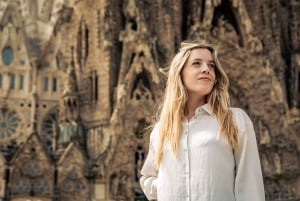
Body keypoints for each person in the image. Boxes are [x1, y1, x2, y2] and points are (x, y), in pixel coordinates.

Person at [139, 40, 265, 201]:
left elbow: (250, 186)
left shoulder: (235, 120)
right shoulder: (161, 130)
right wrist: (167, 186)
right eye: (197, 63)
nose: (206, 69)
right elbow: (147, 178)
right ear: (180, 73)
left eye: (211, 65)